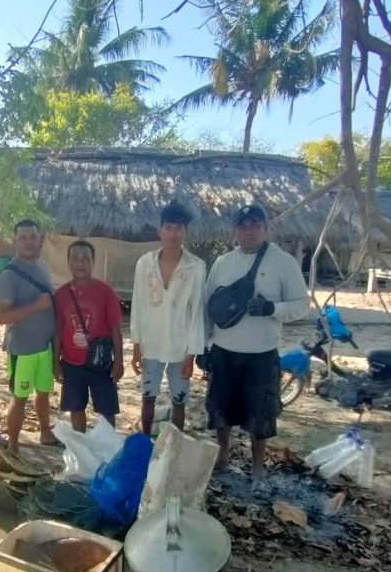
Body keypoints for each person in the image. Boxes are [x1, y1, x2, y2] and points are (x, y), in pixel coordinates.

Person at [204, 204, 310, 497]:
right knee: (220, 411)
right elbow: (207, 307)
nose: (248, 231)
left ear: (265, 228)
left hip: (261, 355)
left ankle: (258, 469)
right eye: (242, 225)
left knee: (260, 417)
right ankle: (222, 457)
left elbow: (302, 304)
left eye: (254, 224)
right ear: (234, 230)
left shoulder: (283, 262)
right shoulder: (222, 263)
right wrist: (203, 345)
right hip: (223, 352)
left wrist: (272, 308)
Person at [131, 200, 206, 435]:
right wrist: (136, 344)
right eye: (169, 227)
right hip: (151, 343)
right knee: (148, 397)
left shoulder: (195, 266)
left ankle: (176, 444)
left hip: (180, 345)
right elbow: (138, 304)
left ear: (184, 231)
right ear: (160, 230)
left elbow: (197, 312)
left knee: (179, 400)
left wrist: (191, 354)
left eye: (178, 228)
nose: (173, 234)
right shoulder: (145, 263)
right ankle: (145, 442)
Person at [0, 219, 58, 452]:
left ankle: (45, 433)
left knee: (43, 393)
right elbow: (2, 317)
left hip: (45, 346)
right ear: (15, 241)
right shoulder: (8, 275)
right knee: (20, 397)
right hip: (22, 349)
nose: (29, 242)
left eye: (33, 237)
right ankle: (12, 444)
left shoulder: (42, 266)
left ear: (39, 238)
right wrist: (35, 306)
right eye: (23, 237)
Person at [53, 240, 124, 432]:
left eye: (85, 258)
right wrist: (55, 362)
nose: (80, 263)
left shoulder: (106, 292)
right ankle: (81, 447)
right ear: (68, 262)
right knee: (76, 409)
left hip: (100, 364)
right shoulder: (60, 295)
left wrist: (119, 361)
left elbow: (116, 330)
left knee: (106, 411)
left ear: (93, 261)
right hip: (71, 364)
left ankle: (108, 451)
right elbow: (58, 331)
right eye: (75, 258)